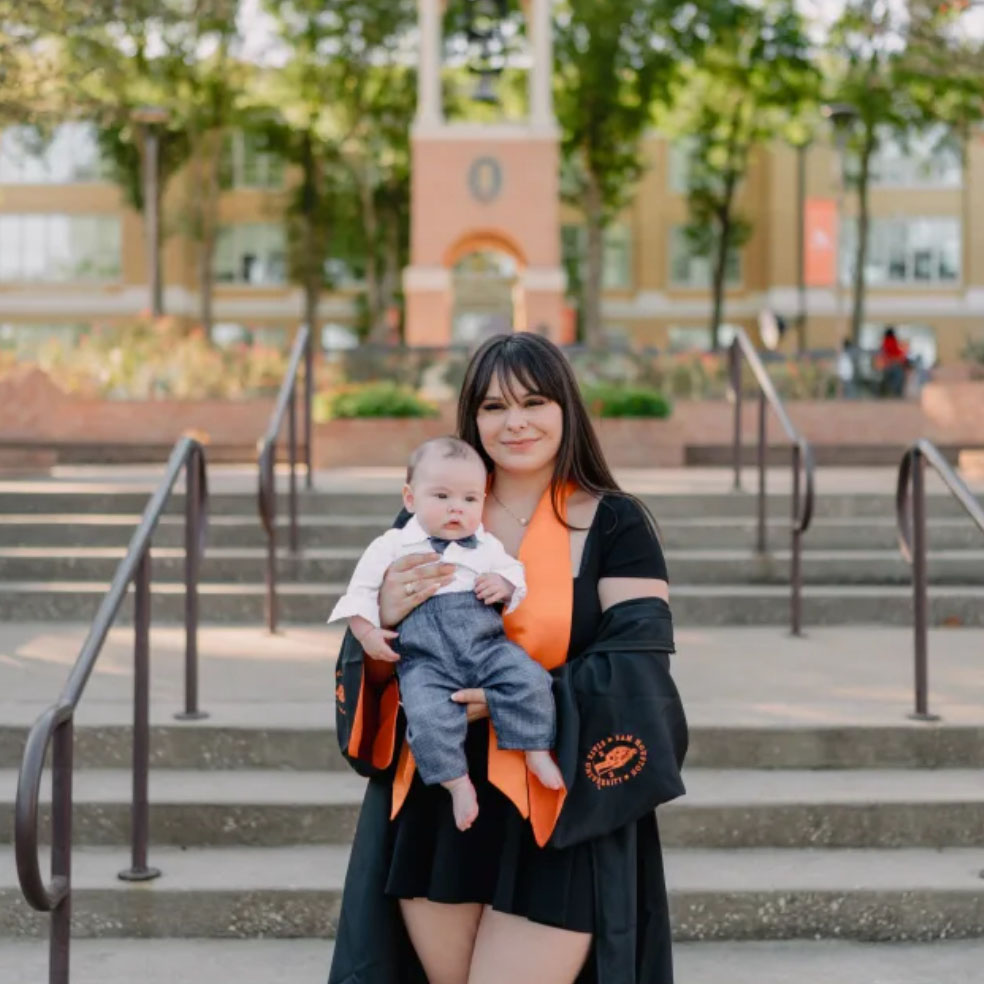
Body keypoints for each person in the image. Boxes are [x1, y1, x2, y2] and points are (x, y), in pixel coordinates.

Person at [328, 332, 688, 984]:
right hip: (440, 800)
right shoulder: (438, 511)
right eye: (493, 407)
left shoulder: (614, 523)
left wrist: (519, 697)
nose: (514, 422)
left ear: (566, 408)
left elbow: (638, 665)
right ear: (472, 417)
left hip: (556, 799)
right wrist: (380, 617)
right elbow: (374, 653)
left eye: (534, 402)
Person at [327, 436, 563, 832]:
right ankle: (456, 783)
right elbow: (360, 594)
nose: (457, 508)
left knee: (531, 679)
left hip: (486, 647)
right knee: (426, 715)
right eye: (441, 496)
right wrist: (368, 634)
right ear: (410, 498)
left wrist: (505, 586)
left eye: (470, 499)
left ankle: (536, 748)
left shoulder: (485, 544)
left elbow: (514, 572)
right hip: (424, 659)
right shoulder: (392, 545)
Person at [876, 326, 908, 398]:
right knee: (897, 379)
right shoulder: (892, 341)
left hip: (886, 365)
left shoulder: (884, 342)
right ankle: (895, 393)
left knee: (886, 380)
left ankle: (885, 393)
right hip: (893, 364)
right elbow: (897, 353)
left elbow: (883, 354)